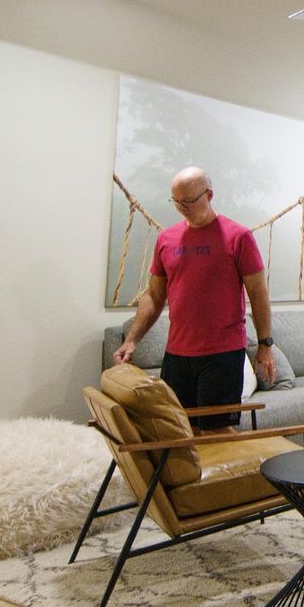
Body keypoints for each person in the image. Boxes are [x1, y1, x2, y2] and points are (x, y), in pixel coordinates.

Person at [113, 166, 276, 429]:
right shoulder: (166, 239)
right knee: (175, 432)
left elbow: (258, 294)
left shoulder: (239, 237)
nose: (181, 207)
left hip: (222, 355)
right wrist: (132, 340)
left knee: (217, 435)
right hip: (177, 355)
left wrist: (265, 345)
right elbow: (154, 295)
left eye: (188, 201)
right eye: (176, 201)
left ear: (209, 195)